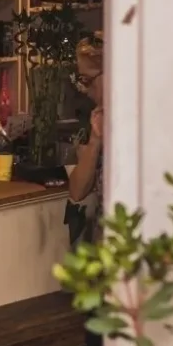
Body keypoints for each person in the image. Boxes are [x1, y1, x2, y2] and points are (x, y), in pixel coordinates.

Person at [66, 35, 104, 246]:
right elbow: (77, 191)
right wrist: (95, 141)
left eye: (88, 81)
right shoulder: (94, 118)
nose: (86, 91)